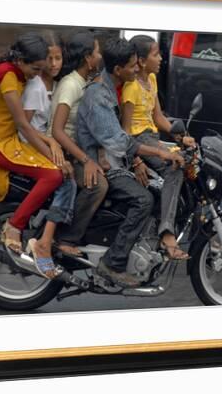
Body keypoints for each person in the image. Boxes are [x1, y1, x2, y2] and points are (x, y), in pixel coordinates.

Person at [76, 38, 185, 288]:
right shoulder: (99, 96)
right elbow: (120, 141)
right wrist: (159, 154)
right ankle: (112, 263)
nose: (137, 70)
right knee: (143, 199)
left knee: (153, 191)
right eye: (133, 66)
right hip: (101, 163)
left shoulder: (110, 87)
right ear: (118, 70)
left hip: (112, 159)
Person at [0, 32, 65, 279]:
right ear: (20, 60)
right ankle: (15, 226)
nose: (37, 74)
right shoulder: (9, 78)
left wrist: (49, 143)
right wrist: (52, 157)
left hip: (6, 140)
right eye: (35, 68)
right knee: (53, 176)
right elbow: (23, 125)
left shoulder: (15, 72)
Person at [121, 35, 196, 259]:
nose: (162, 58)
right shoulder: (131, 87)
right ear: (142, 61)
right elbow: (124, 131)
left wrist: (181, 138)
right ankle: (166, 232)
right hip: (138, 140)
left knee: (192, 159)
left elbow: (158, 118)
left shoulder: (151, 80)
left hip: (151, 137)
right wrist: (136, 159)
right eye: (156, 54)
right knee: (176, 166)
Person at [47, 31, 108, 254]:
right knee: (97, 185)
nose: (100, 55)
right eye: (97, 51)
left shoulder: (84, 82)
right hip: (64, 151)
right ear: (87, 58)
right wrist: (87, 160)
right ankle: (66, 239)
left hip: (79, 149)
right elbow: (57, 130)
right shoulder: (70, 84)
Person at [19, 31, 78, 257]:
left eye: (58, 58)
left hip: (45, 140)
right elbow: (24, 125)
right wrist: (51, 141)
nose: (54, 64)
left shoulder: (57, 84)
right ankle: (47, 240)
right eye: (50, 59)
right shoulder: (36, 87)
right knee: (67, 180)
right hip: (30, 142)